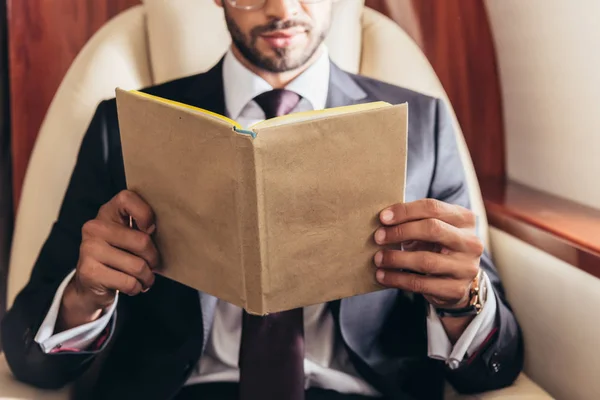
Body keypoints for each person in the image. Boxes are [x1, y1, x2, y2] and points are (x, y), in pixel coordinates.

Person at [0, 1, 523, 399]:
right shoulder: (123, 126)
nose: (280, 8)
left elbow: (495, 365)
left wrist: (462, 299)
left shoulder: (423, 123)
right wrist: (86, 293)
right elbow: (31, 360)